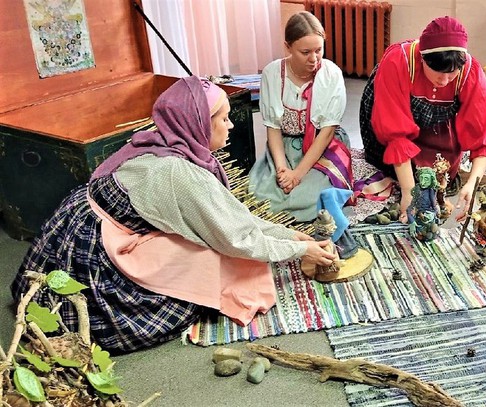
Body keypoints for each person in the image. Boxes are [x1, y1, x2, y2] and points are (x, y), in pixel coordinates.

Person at [10, 77, 336, 353]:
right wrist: (300, 250)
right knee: (210, 259)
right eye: (224, 119)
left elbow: (234, 216)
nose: (231, 125)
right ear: (199, 124)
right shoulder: (179, 173)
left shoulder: (166, 144)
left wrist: (290, 236)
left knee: (209, 243)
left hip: (81, 219)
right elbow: (236, 238)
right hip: (91, 252)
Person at [360, 16, 486, 223]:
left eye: (452, 73)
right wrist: (409, 193)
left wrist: (472, 184)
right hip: (393, 113)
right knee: (395, 171)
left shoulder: (470, 71)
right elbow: (394, 132)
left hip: (437, 120)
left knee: (440, 173)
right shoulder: (399, 61)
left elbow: (484, 136)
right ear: (423, 59)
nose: (444, 80)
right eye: (438, 72)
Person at [249, 11, 353, 222]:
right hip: (284, 147)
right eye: (305, 52)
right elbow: (273, 129)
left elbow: (326, 133)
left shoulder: (331, 74)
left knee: (309, 195)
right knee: (258, 195)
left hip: (323, 148)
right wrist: (282, 170)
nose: (313, 59)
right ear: (288, 47)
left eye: (318, 50)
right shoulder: (272, 74)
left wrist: (297, 175)